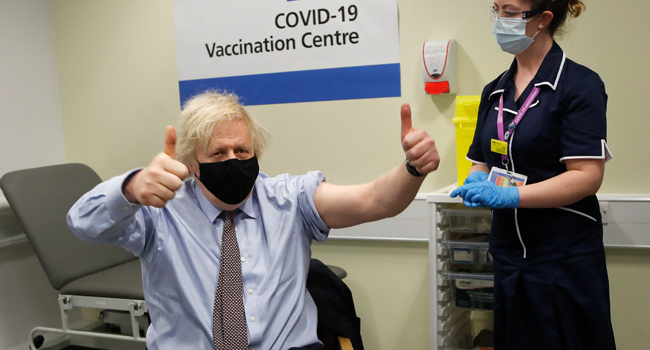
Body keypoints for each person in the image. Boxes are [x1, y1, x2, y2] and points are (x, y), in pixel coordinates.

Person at [67, 91, 440, 350]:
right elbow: (81, 222)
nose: (233, 159)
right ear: (192, 164)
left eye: (242, 150)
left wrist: (412, 169)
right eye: (219, 152)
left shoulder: (288, 199)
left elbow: (376, 199)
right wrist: (130, 188)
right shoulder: (161, 211)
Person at [450, 0, 616, 349]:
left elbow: (586, 176)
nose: (499, 21)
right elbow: (480, 160)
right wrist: (475, 179)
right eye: (495, 9)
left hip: (563, 259)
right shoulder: (494, 91)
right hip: (510, 255)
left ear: (543, 19)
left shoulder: (577, 85)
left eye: (510, 12)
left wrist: (512, 196)